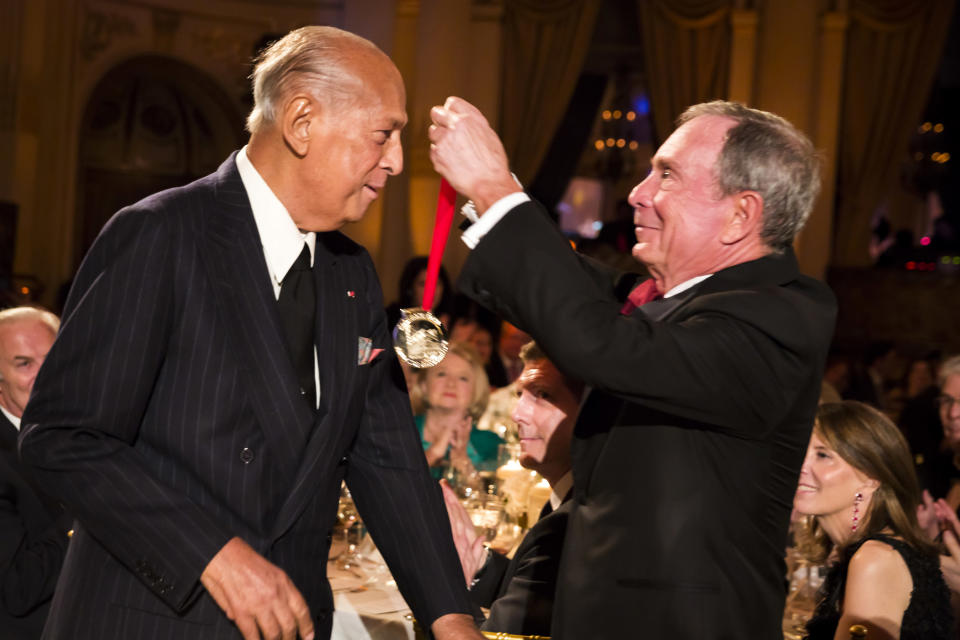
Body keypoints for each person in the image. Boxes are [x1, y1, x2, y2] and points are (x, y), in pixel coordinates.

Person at [18, 27, 481, 640]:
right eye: (384, 134)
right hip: (153, 619)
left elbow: (387, 456)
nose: (396, 160)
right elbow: (63, 438)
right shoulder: (162, 234)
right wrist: (214, 554)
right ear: (302, 121)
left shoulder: (352, 274)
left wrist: (449, 617)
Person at [429, 97, 837, 638]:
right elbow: (578, 296)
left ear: (741, 214)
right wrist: (488, 203)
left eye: (667, 175)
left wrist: (497, 190)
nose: (638, 194)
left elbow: (596, 338)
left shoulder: (777, 316)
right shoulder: (669, 300)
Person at [442, 341, 581, 636]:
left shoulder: (572, 522)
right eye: (520, 396)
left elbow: (496, 635)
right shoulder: (565, 501)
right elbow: (530, 583)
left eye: (542, 395)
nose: (517, 413)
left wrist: (441, 598)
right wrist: (478, 564)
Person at [794, 401, 953, 639]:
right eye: (799, 450)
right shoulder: (869, 552)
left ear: (870, 478)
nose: (801, 466)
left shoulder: (874, 561)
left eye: (823, 455)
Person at [0, 307, 71, 639]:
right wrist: (90, 507)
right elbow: (18, 588)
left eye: (52, 358)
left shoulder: (93, 436)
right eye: (24, 363)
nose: (44, 376)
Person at [410, 342, 502, 480]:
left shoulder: (493, 445)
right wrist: (434, 453)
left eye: (463, 378)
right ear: (423, 385)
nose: (451, 383)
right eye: (441, 374)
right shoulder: (397, 432)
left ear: (476, 391)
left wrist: (462, 462)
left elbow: (498, 498)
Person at [384, 255, 454, 332]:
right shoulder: (391, 320)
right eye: (423, 284)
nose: (431, 290)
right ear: (410, 288)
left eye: (436, 283)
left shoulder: (454, 321)